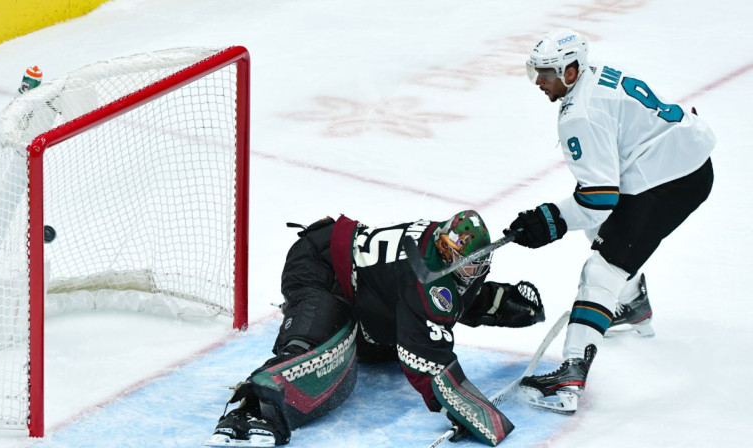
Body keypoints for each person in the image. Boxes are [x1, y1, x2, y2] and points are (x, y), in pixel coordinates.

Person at [206, 210, 546, 447]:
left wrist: (501, 301)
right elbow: (426, 360)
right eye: (466, 264)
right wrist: (474, 416)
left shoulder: (445, 250)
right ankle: (251, 406)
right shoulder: (424, 278)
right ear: (446, 250)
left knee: (379, 346)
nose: (471, 271)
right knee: (314, 348)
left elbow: (456, 296)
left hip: (364, 298)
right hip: (319, 266)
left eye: (478, 264)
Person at [509, 29, 715, 414]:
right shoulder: (594, 77)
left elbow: (599, 200)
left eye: (547, 73)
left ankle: (570, 376)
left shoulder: (579, 114)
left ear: (571, 72)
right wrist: (557, 218)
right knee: (603, 233)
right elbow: (601, 195)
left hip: (670, 180)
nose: (539, 82)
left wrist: (548, 221)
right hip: (681, 161)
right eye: (535, 72)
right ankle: (633, 302)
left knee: (601, 270)